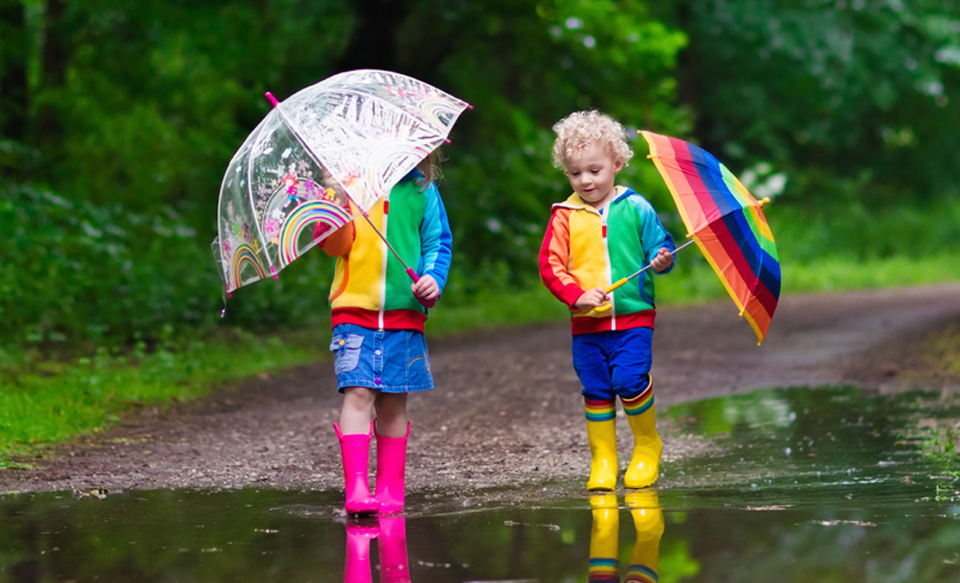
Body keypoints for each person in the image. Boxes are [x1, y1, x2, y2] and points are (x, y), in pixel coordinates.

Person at [538, 110, 676, 490]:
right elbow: (550, 266)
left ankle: (647, 446)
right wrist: (577, 296)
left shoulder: (636, 208)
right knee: (596, 388)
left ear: (616, 164)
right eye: (574, 172)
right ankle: (603, 459)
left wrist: (663, 259)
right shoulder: (564, 216)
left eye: (594, 170)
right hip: (587, 323)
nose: (585, 180)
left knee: (630, 379)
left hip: (633, 317)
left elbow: (660, 249)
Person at [320, 154, 452, 515]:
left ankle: (391, 489)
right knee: (358, 392)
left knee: (393, 400)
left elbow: (437, 244)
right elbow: (335, 246)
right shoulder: (348, 186)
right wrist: (335, 204)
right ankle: (357, 489)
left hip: (404, 315)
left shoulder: (422, 189)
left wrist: (432, 279)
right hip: (353, 313)